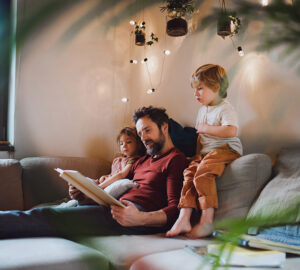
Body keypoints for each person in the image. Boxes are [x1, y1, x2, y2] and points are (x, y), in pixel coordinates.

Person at [0, 106, 188, 239]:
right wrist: (83, 192)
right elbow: (118, 184)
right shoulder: (143, 160)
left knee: (48, 218)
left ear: (165, 127)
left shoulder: (175, 160)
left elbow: (175, 209)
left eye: (147, 130)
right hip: (114, 206)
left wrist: (141, 218)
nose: (143, 138)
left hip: (134, 216)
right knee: (47, 211)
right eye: (140, 134)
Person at [166, 64, 243, 238]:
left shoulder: (225, 108)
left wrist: (207, 128)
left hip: (226, 148)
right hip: (207, 151)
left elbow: (231, 131)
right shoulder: (202, 111)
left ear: (217, 86)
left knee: (203, 173)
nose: (196, 94)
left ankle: (207, 220)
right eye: (195, 90)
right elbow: (200, 138)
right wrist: (196, 154)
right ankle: (183, 218)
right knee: (189, 173)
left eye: (200, 89)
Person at [69, 127, 145, 201]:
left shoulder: (133, 160)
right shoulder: (118, 160)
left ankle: (85, 196)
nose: (124, 146)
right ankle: (77, 193)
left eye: (128, 142)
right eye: (121, 143)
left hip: (108, 187)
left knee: (88, 186)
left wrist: (99, 187)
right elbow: (113, 174)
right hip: (105, 183)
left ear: (138, 144)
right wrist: (106, 176)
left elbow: (121, 175)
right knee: (83, 180)